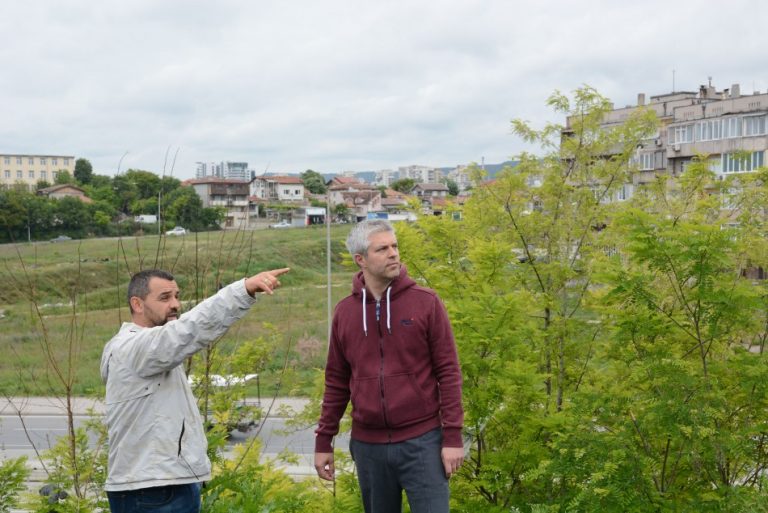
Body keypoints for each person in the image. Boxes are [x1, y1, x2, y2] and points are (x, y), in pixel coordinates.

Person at [100, 267, 289, 513]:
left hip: (164, 484)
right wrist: (241, 291)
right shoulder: (135, 347)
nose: (176, 304)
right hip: (152, 491)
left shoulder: (148, 348)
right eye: (165, 298)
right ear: (137, 304)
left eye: (177, 296)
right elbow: (189, 330)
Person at [314, 220, 463, 513]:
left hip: (423, 443)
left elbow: (448, 372)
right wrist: (323, 441)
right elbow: (336, 381)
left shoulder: (426, 303)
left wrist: (453, 437)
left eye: (394, 246)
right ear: (361, 260)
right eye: (382, 249)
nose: (394, 253)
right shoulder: (344, 312)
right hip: (369, 447)